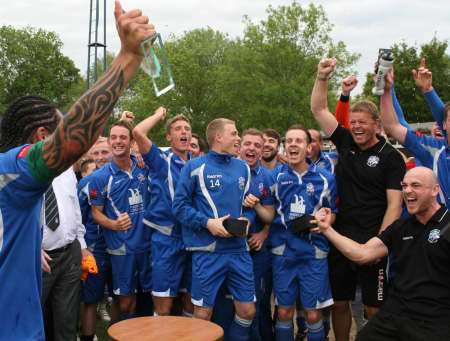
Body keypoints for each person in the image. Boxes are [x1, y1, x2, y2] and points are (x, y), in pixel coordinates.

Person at [0, 2, 154, 339]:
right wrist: (129, 57)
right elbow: (71, 141)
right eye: (59, 127)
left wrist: (25, 249)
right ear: (42, 138)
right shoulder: (11, 173)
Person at [310, 58, 405, 341]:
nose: (357, 127)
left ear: (377, 124)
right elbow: (318, 108)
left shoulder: (391, 157)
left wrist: (381, 240)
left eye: (363, 123)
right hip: (341, 236)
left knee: (374, 307)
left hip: (373, 238)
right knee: (340, 303)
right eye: (353, 123)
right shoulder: (346, 141)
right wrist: (322, 77)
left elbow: (394, 205)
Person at [314, 167, 450, 340]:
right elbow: (362, 254)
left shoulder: (447, 225)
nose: (407, 191)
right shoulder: (401, 227)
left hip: (435, 318)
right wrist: (326, 229)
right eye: (404, 185)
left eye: (415, 185)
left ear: (435, 190)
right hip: (396, 313)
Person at [173, 118, 256, 341]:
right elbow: (179, 207)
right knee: (203, 313)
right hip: (208, 252)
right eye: (234, 133)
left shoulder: (243, 168)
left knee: (248, 310)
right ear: (218, 137)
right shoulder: (194, 167)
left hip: (239, 250)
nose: (239, 138)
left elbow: (250, 206)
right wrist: (208, 223)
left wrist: (247, 221)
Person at [270, 125, 336, 341]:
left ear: (308, 147)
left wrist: (326, 219)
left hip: (313, 253)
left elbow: (332, 211)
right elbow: (267, 212)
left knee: (313, 313)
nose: (292, 145)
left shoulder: (326, 178)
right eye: (288, 141)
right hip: (284, 253)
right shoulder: (275, 178)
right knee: (284, 312)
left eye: (298, 141)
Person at [132, 107, 193, 317]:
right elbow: (138, 132)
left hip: (193, 238)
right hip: (166, 240)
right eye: (177, 128)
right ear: (169, 136)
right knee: (164, 306)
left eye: (187, 128)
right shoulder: (161, 160)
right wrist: (159, 115)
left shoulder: (197, 164)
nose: (183, 132)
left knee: (190, 302)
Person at [89, 120, 152, 321]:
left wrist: (141, 154)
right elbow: (95, 213)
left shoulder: (144, 166)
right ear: (108, 142)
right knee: (126, 303)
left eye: (123, 137)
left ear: (131, 141)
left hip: (148, 244)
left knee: (149, 298)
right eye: (114, 137)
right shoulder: (100, 177)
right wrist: (114, 224)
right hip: (122, 248)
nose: (118, 141)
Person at [379, 68, 450, 207]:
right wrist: (387, 89)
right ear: (444, 125)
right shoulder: (433, 149)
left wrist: (429, 91)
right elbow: (394, 125)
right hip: (440, 225)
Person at [40, 164, 89, 341]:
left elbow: (75, 210)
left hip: (70, 254)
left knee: (67, 320)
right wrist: (32, 247)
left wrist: (82, 244)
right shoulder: (25, 169)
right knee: (34, 317)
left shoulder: (67, 170)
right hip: (38, 258)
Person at [240, 128, 276, 341]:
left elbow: (272, 215)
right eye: (248, 144)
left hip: (258, 251)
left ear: (262, 151)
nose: (251, 148)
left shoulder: (267, 177)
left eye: (257, 145)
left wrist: (263, 234)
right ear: (240, 146)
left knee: (260, 303)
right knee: (235, 305)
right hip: (230, 249)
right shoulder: (227, 171)